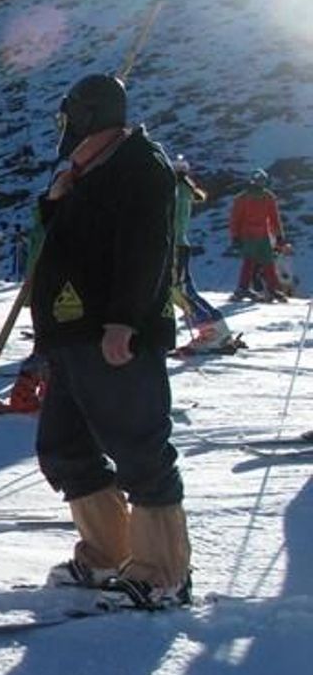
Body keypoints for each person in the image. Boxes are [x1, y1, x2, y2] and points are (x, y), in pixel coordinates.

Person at [31, 73, 191, 610]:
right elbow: (72, 245)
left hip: (112, 333)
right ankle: (106, 554)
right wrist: (56, 203)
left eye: (74, 121)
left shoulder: (140, 166)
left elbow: (147, 250)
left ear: (93, 119)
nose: (68, 133)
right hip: (70, 334)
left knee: (138, 447)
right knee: (64, 447)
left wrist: (124, 320)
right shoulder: (86, 172)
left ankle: (162, 572)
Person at [168, 156, 234, 354]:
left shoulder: (174, 191)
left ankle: (212, 331)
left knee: (180, 290)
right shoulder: (185, 190)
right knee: (181, 290)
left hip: (173, 246)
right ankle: (217, 329)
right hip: (179, 245)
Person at [228, 169, 291, 301]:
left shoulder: (242, 198)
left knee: (252, 262)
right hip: (259, 235)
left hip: (252, 235)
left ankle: (245, 289)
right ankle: (271, 289)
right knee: (266, 262)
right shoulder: (267, 197)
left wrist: (235, 236)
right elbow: (275, 219)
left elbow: (235, 219)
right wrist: (279, 236)